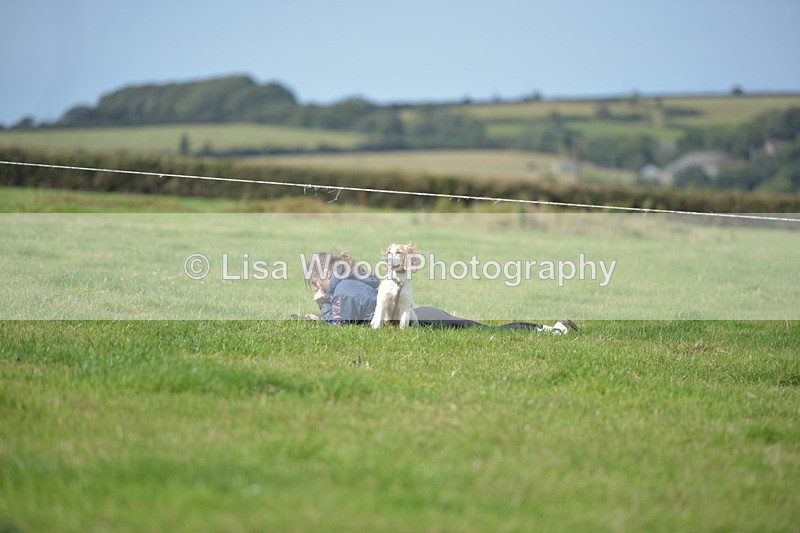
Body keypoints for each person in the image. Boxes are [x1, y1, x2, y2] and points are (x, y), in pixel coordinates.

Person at [303, 251, 578, 333]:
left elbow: (341, 325)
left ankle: (554, 330)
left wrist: (324, 306)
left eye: (316, 282)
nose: (317, 288)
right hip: (420, 315)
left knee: (487, 332)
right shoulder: (351, 284)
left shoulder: (344, 291)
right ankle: (551, 329)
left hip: (422, 319)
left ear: (327, 274)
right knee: (481, 330)